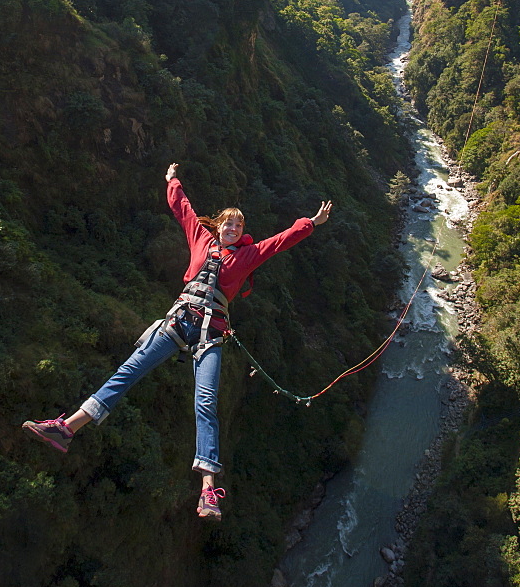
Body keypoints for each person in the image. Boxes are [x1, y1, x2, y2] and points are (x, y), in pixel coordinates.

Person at [23, 163, 332, 521]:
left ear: (242, 231)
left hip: (211, 333)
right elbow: (182, 208)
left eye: (238, 225)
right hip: (178, 322)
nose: (232, 228)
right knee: (127, 372)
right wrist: (172, 180)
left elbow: (280, 242)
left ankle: (208, 493)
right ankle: (67, 428)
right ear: (218, 226)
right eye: (228, 223)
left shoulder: (247, 255)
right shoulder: (201, 238)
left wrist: (310, 223)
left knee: (206, 402)